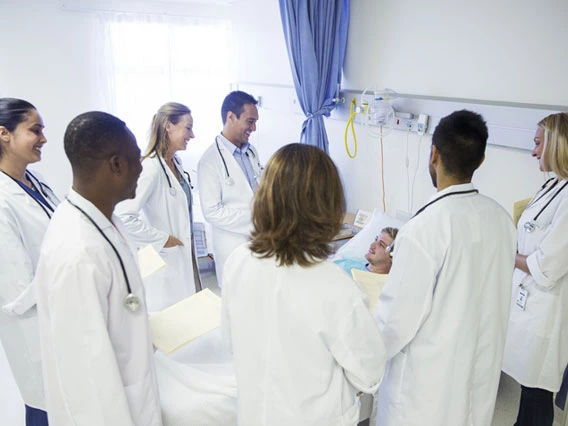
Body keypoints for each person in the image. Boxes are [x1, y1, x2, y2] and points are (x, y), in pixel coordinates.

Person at [222, 143, 387, 426]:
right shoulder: (333, 285)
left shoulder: (238, 260)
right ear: (327, 206)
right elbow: (370, 373)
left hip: (256, 414)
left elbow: (231, 341)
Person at [373, 110, 517, 426]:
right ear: (480, 161)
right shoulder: (502, 221)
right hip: (475, 383)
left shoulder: (425, 227)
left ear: (434, 154)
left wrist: (361, 359)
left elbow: (395, 322)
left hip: (423, 394)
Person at [35, 111, 162, 425]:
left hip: (135, 389)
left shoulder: (103, 222)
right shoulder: (78, 251)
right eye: (137, 159)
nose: (142, 167)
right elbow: (86, 378)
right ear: (116, 164)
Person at [502, 112, 568, 426]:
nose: (533, 151)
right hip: (529, 302)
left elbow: (546, 265)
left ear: (557, 145)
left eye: (538, 143)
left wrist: (503, 253)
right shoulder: (553, 185)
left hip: (549, 308)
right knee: (528, 389)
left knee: (538, 391)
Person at [0, 98, 59, 426]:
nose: (44, 138)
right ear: (4, 134)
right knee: (43, 409)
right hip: (33, 326)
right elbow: (17, 291)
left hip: (58, 315)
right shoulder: (2, 200)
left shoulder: (35, 183)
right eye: (35, 130)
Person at [117, 102, 201, 312]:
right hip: (165, 258)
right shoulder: (150, 168)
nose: (192, 135)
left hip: (183, 255)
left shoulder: (176, 163)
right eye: (188, 128)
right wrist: (164, 240)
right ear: (168, 126)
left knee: (188, 320)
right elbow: (124, 217)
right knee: (171, 326)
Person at [197, 90, 263, 286]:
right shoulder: (209, 161)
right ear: (231, 117)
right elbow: (211, 212)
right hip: (233, 246)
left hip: (261, 241)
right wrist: (255, 219)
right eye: (250, 121)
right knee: (237, 305)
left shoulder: (251, 151)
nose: (254, 128)